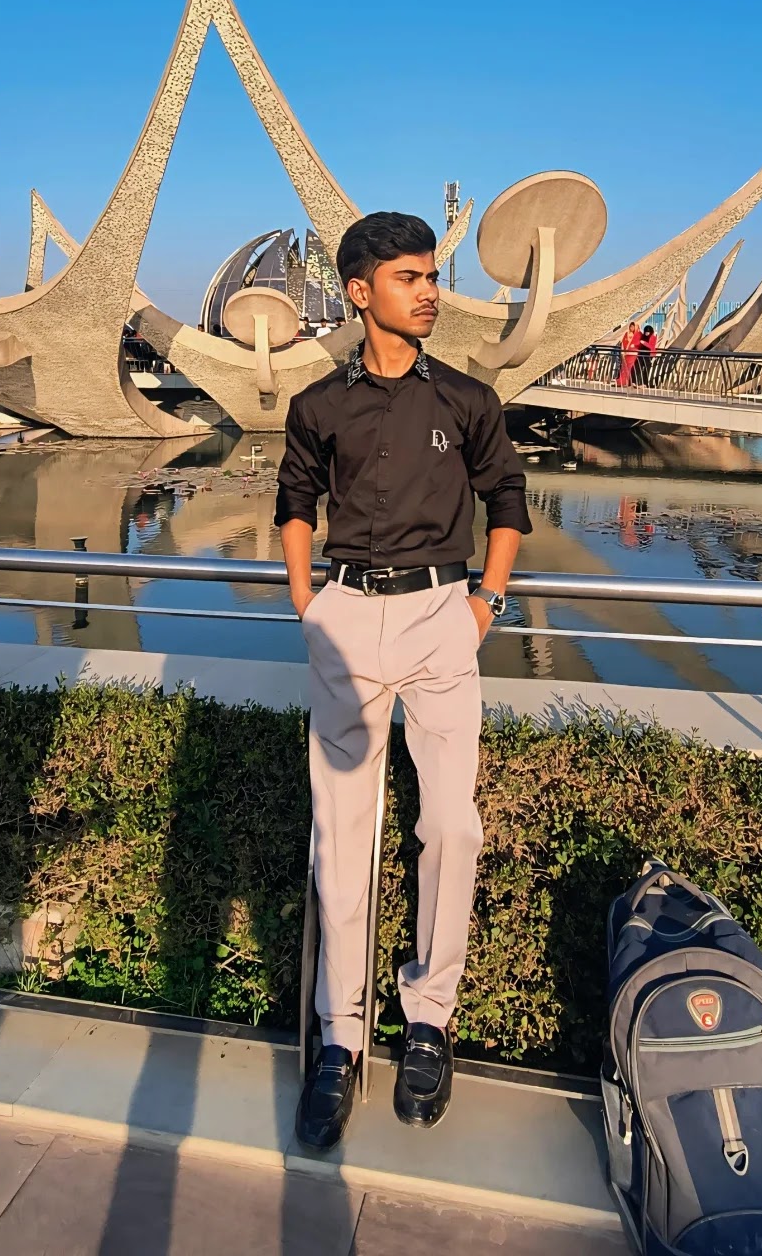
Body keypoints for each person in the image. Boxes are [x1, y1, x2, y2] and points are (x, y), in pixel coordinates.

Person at [276, 211, 530, 1151]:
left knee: (451, 824)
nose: (429, 293)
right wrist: (307, 600)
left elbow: (508, 498)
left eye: (431, 276)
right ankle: (338, 1038)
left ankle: (429, 1020)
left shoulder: (467, 399)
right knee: (341, 834)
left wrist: (484, 603)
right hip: (347, 613)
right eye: (410, 278)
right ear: (359, 291)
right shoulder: (318, 405)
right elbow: (294, 499)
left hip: (441, 614)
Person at [617, 319, 641, 387]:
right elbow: (623, 343)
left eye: (633, 327)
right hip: (626, 353)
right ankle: (622, 381)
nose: (631, 328)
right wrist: (623, 351)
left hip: (633, 354)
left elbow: (638, 344)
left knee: (630, 368)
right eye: (631, 326)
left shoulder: (638, 335)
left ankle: (628, 382)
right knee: (624, 368)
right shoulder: (627, 334)